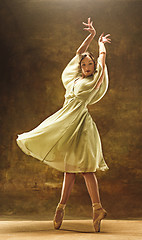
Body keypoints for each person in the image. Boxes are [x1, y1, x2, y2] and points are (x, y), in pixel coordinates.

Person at [16, 17, 111, 232]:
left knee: (86, 169)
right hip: (65, 121)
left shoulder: (94, 81)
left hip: (81, 126)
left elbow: (103, 61)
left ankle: (97, 209)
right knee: (69, 170)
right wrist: (91, 35)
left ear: (94, 66)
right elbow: (79, 53)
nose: (87, 66)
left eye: (90, 64)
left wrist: (101, 45)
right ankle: (61, 208)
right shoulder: (75, 79)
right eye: (84, 65)